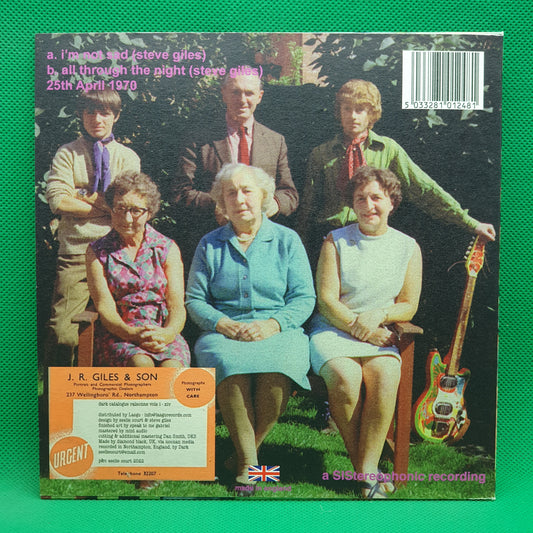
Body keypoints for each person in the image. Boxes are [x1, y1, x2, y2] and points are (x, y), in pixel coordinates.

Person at [186, 163, 315, 493]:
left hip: (278, 330)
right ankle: (251, 466)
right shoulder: (209, 244)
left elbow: (304, 298)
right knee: (227, 364)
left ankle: (243, 458)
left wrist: (273, 324)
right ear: (222, 202)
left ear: (263, 196)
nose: (240, 199)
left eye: (247, 191)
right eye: (231, 193)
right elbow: (195, 300)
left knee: (280, 365)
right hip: (223, 332)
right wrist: (222, 323)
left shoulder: (287, 240)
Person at [309, 166, 422, 499]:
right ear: (352, 204)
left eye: (376, 197)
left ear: (392, 202)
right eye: (360, 198)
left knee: (386, 374)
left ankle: (365, 468)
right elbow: (327, 300)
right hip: (334, 329)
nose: (368, 205)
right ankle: (366, 472)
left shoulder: (407, 247)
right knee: (345, 377)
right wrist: (361, 330)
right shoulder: (335, 241)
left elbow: (409, 305)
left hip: (380, 330)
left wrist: (379, 315)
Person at [298, 79, 496, 268]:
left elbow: (424, 188)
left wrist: (469, 223)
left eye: (360, 109)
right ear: (339, 112)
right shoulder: (321, 154)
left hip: (372, 240)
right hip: (331, 241)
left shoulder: (387, 149)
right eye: (347, 109)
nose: (353, 116)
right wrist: (299, 252)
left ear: (371, 114)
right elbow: (308, 207)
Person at [45, 88, 140, 366]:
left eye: (104, 113)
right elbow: (58, 201)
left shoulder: (128, 158)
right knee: (62, 335)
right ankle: (57, 391)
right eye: (90, 112)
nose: (97, 119)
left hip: (118, 253)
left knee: (125, 331)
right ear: (80, 115)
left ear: (116, 116)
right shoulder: (67, 153)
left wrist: (82, 194)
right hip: (76, 254)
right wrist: (107, 204)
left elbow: (128, 208)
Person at [172, 70, 299, 269]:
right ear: (223, 93)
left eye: (249, 93)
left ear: (259, 96)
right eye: (235, 92)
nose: (242, 100)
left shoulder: (275, 141)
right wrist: (219, 206)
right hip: (214, 245)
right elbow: (180, 192)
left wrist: (272, 204)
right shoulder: (198, 139)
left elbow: (289, 194)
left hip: (263, 246)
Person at [86, 172, 190, 369]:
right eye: (120, 208)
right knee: (140, 363)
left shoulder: (166, 248)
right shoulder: (97, 251)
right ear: (111, 209)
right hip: (119, 333)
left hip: (162, 331)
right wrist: (132, 334)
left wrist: (167, 334)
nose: (127, 218)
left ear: (149, 213)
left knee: (173, 367)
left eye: (135, 211)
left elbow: (176, 305)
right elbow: (105, 307)